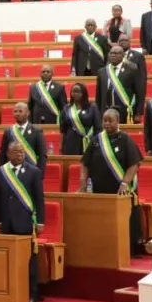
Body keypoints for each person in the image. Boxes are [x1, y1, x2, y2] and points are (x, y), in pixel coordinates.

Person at [79, 109, 143, 253]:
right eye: (105, 120)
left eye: (110, 121)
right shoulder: (96, 140)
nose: (106, 124)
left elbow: (134, 164)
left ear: (117, 121)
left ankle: (130, 248)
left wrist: (125, 183)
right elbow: (84, 163)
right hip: (101, 189)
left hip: (121, 190)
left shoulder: (125, 139)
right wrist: (83, 183)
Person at [0, 141, 45, 302]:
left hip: (26, 222)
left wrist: (41, 221)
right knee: (8, 260)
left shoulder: (33, 172)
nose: (20, 155)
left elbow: (39, 198)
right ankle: (9, 292)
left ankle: (31, 293)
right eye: (16, 152)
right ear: (8, 154)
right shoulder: (1, 172)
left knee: (29, 262)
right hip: (7, 222)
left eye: (22, 152)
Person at [96, 46, 143, 124]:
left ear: (123, 55)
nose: (113, 55)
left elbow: (139, 92)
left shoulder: (132, 69)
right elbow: (99, 95)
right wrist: (98, 113)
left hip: (125, 110)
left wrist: (138, 113)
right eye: (111, 53)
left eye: (116, 53)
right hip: (106, 109)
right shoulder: (102, 72)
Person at [0, 102, 48, 170]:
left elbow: (42, 155)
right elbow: (3, 154)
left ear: (28, 113)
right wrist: (2, 172)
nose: (17, 114)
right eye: (15, 111)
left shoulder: (36, 131)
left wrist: (40, 174)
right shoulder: (9, 131)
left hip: (31, 171)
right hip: (12, 172)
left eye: (20, 111)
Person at [59, 83, 100, 155]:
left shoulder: (92, 107)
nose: (76, 94)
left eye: (78, 92)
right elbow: (63, 130)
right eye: (74, 92)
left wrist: (97, 144)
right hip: (70, 143)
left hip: (89, 142)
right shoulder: (66, 108)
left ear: (84, 93)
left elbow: (98, 128)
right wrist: (60, 147)